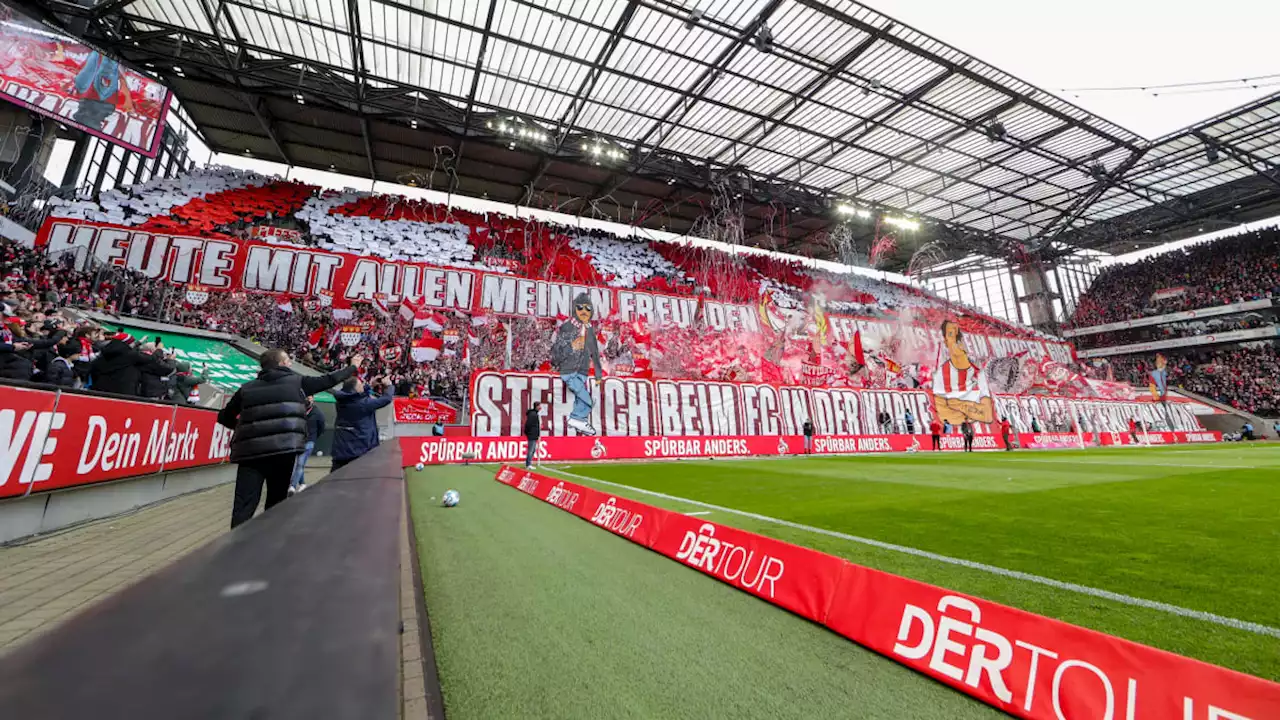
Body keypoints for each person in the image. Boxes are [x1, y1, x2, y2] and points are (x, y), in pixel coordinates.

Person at [218, 349, 362, 529]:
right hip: (282, 453)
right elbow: (330, 380)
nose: (291, 363)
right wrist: (353, 367)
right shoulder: (298, 383)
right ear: (280, 364)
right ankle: (268, 547)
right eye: (288, 360)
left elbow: (223, 417)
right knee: (276, 505)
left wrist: (246, 429)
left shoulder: (246, 389)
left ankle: (234, 550)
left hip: (251, 455)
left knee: (243, 507)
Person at [550, 292, 602, 435]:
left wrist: (598, 373)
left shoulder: (590, 329)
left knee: (580, 398)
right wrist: (571, 347)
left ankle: (578, 420)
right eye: (580, 308)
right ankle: (576, 418)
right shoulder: (567, 327)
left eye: (588, 308)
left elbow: (595, 352)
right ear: (574, 309)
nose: (584, 311)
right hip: (568, 371)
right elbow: (555, 354)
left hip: (583, 371)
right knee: (588, 400)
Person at [932, 319, 994, 425]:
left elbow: (987, 416)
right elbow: (946, 415)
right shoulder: (940, 374)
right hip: (955, 431)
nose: (958, 343)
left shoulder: (978, 373)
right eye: (951, 335)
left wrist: (961, 405)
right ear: (946, 342)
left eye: (958, 337)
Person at [330, 374, 395, 472]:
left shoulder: (341, 402)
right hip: (358, 451)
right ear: (355, 389)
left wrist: (370, 385)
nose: (362, 386)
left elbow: (354, 396)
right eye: (361, 385)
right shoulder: (362, 404)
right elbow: (386, 399)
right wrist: (389, 386)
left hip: (341, 450)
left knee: (334, 481)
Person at [90, 332, 173, 396]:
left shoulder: (104, 353)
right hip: (122, 392)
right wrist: (159, 350)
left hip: (100, 389)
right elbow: (152, 359)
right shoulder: (130, 355)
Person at [289, 397, 325, 495]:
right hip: (298, 440)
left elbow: (322, 427)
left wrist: (313, 438)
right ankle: (303, 484)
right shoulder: (299, 410)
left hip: (309, 442)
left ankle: (292, 486)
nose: (307, 399)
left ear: (313, 399)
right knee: (297, 463)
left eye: (309, 397)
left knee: (300, 463)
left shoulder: (317, 413)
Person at [523, 401, 542, 469]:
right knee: (531, 450)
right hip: (532, 435)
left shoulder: (534, 414)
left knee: (532, 449)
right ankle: (528, 464)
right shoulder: (533, 414)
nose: (541, 407)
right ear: (537, 406)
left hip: (533, 434)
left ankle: (529, 463)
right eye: (539, 406)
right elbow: (528, 424)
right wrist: (528, 433)